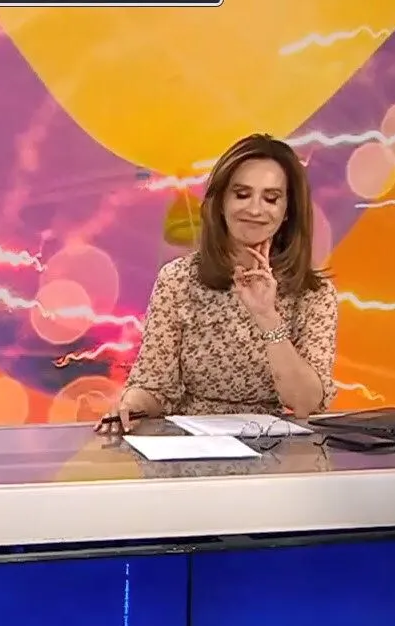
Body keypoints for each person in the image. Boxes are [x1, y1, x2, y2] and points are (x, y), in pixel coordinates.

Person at [97, 134, 339, 434]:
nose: (255, 209)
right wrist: (130, 405)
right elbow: (154, 388)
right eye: (242, 194)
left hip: (276, 447)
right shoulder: (178, 280)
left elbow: (306, 404)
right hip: (191, 444)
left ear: (287, 210)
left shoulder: (315, 294)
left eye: (271, 198)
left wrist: (267, 317)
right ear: (221, 202)